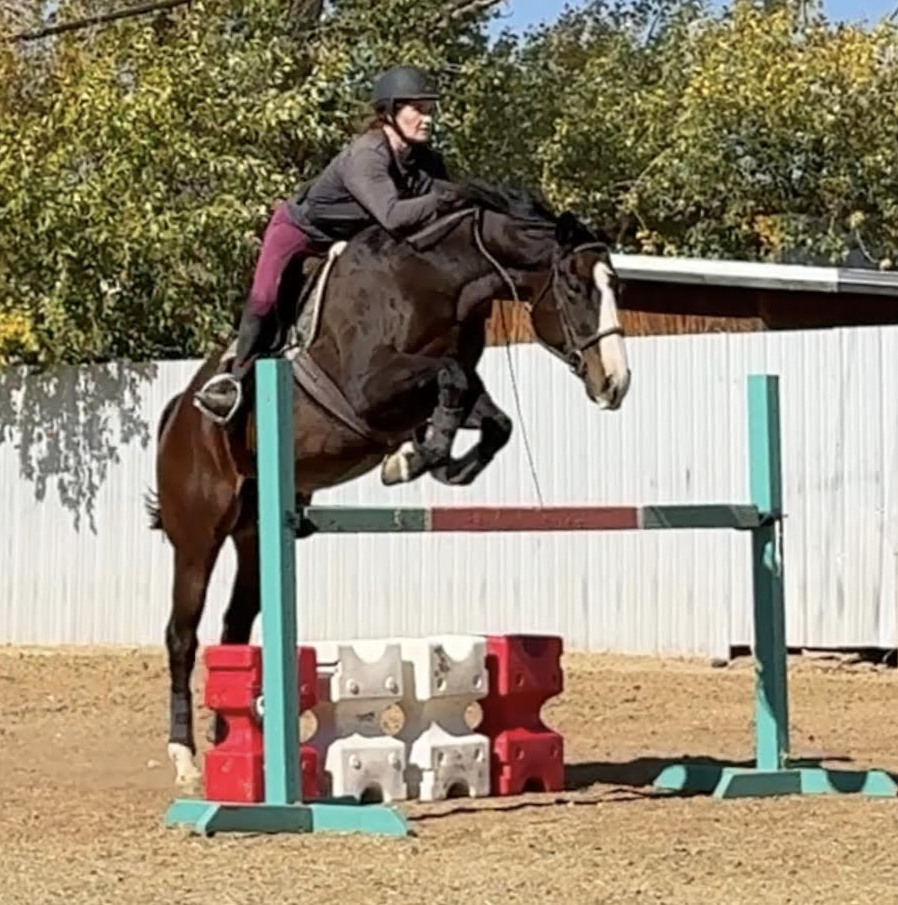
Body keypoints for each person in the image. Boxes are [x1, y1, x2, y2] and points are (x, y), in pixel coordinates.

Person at [193, 64, 467, 425]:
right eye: (418, 109)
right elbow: (394, 215)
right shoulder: (367, 154)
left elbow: (437, 219)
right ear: (389, 113)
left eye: (430, 110)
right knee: (264, 297)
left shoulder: (427, 161)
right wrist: (451, 197)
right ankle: (233, 378)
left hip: (352, 238)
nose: (427, 119)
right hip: (300, 231)